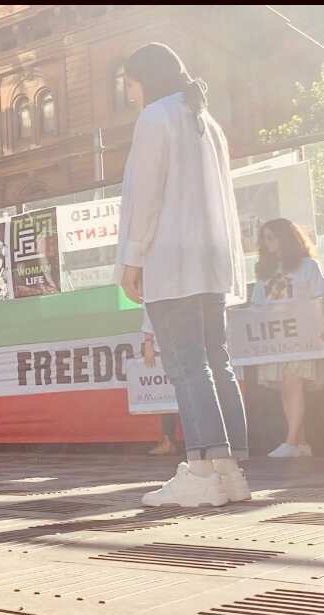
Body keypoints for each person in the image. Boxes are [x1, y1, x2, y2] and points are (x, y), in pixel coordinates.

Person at [117, 42, 250, 508]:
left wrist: (132, 259)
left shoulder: (155, 117)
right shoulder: (204, 120)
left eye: (128, 83)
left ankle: (199, 470)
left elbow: (145, 196)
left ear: (143, 79)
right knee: (217, 361)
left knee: (186, 365)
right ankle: (228, 472)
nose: (128, 93)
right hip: (211, 264)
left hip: (171, 261)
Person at [251, 218, 324, 458]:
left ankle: (291, 442)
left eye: (271, 237)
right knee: (286, 388)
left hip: (301, 337)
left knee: (293, 384)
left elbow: (319, 298)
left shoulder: (307, 266)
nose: (266, 243)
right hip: (274, 339)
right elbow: (257, 305)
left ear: (286, 237)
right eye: (264, 238)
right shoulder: (264, 271)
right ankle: (301, 444)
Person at [141, 313, 179, 456]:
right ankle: (168, 440)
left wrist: (148, 342)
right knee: (167, 395)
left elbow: (148, 314)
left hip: (171, 347)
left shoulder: (153, 291)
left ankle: (169, 441)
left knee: (170, 394)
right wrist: (149, 343)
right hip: (171, 346)